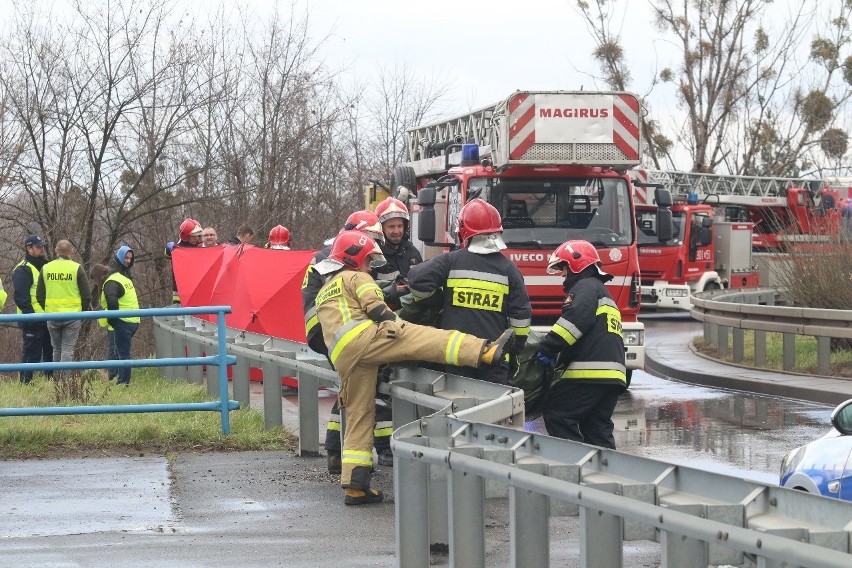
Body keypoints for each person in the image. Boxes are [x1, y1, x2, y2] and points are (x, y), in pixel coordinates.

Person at [312, 230, 514, 505]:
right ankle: (485, 351)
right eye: (368, 261)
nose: (370, 266)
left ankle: (355, 486)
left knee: (359, 413)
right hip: (365, 339)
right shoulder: (357, 276)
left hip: (344, 357)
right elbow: (375, 307)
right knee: (427, 338)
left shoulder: (325, 289)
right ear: (355, 258)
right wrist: (398, 326)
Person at [407, 199, 531, 385]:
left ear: (464, 231)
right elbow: (521, 321)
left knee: (458, 409)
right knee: (493, 411)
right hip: (495, 360)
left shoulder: (451, 261)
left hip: (457, 354)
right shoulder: (510, 270)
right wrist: (514, 352)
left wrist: (439, 300)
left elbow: (416, 281)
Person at [302, 210, 389, 474]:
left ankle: (335, 452)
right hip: (333, 329)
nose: (371, 244)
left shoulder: (329, 253)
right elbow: (350, 295)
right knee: (367, 384)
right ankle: (384, 448)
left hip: (321, 330)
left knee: (350, 388)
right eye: (369, 237)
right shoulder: (341, 257)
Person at [533, 240, 627, 449]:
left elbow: (575, 321)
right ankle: (606, 477)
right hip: (612, 377)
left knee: (558, 415)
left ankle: (575, 467)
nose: (563, 275)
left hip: (590, 374)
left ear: (576, 265)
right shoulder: (601, 291)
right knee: (597, 430)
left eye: (563, 268)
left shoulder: (585, 287)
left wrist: (548, 347)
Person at [36, 240, 91, 380]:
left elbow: (39, 295)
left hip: (52, 315)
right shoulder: (76, 268)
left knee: (57, 350)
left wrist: (48, 309)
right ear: (71, 252)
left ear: (55, 250)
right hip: (72, 316)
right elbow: (86, 295)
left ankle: (56, 381)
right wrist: (81, 312)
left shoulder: (46, 268)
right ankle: (64, 383)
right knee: (67, 350)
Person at [12, 235, 52, 384]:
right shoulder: (23, 269)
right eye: (39, 246)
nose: (42, 249)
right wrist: (31, 317)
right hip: (33, 320)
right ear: (29, 249)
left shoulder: (46, 266)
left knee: (51, 355)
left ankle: (52, 385)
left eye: (43, 246)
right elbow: (21, 297)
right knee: (31, 356)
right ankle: (25, 385)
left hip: (49, 318)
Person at [100, 246, 140, 386]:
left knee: (121, 353)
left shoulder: (113, 278)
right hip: (133, 319)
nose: (128, 261)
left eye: (130, 258)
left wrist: (112, 319)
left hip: (122, 321)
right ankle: (118, 378)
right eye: (126, 258)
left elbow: (111, 300)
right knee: (120, 351)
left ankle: (122, 383)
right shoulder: (123, 276)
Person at [372, 196, 423, 305]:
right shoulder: (374, 256)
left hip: (413, 311)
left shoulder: (412, 252)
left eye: (400, 226)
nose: (397, 231)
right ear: (381, 228)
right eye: (391, 226)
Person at [166, 218, 203, 303]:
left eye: (197, 236)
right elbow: (167, 254)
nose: (196, 238)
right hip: (179, 292)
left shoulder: (200, 247)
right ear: (186, 236)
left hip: (197, 290)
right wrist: (169, 249)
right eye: (193, 236)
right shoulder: (177, 249)